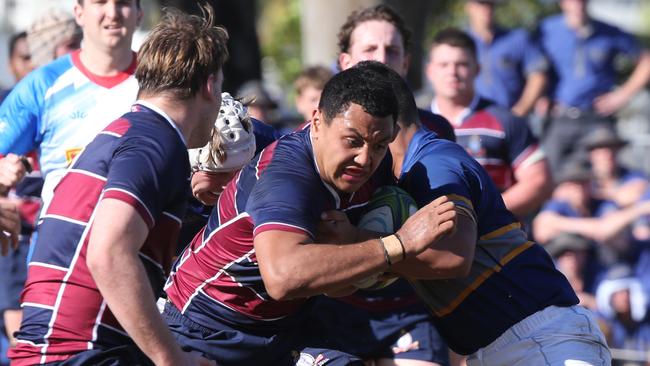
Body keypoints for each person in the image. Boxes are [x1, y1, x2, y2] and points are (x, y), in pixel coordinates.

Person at [161, 63, 457, 366]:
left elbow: (452, 259)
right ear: (316, 122)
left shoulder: (377, 167)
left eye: (380, 145)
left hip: (282, 332)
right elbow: (283, 277)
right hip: (207, 331)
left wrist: (362, 246)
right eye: (352, 141)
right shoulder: (285, 178)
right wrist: (395, 245)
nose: (365, 158)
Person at [9, 5, 228, 365]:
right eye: (220, 86)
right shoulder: (156, 140)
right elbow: (108, 254)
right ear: (208, 85)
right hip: (79, 355)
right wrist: (173, 359)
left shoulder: (131, 129)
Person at [358, 61, 610, 365]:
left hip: (541, 338)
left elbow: (455, 257)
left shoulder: (433, 165)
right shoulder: (412, 172)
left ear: (384, 122)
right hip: (505, 346)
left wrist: (365, 245)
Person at [0, 0, 142, 211]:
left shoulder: (161, 82)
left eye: (122, 3)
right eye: (100, 2)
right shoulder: (43, 84)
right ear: (79, 13)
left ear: (139, 14)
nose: (112, 13)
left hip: (139, 240)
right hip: (61, 240)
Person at [426, 28, 552, 218]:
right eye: (444, 65)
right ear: (430, 71)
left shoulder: (506, 120)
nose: (452, 72)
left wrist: (483, 214)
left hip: (494, 241)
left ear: (477, 69)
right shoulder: (414, 123)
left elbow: (539, 181)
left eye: (461, 64)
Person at [538, 0, 650, 175]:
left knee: (606, 171)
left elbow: (646, 61)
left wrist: (623, 94)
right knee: (547, 172)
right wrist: (541, 96)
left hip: (596, 117)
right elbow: (532, 68)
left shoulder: (609, 32)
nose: (578, 5)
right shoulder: (546, 30)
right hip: (560, 117)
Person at [337, 4, 455, 143]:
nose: (382, 58)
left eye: (391, 50)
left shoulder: (436, 130)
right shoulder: (321, 131)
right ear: (346, 63)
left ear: (405, 63)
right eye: (370, 49)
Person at [464, 0, 547, 116]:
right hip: (470, 120)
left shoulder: (517, 38)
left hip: (508, 118)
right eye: (481, 4)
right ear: (469, 7)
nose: (487, 9)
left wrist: (519, 112)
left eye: (491, 5)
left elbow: (537, 76)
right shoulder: (460, 44)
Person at [0, 32, 32, 102]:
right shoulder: (4, 103)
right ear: (11, 65)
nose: (31, 64)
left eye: (35, 56)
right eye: (25, 58)